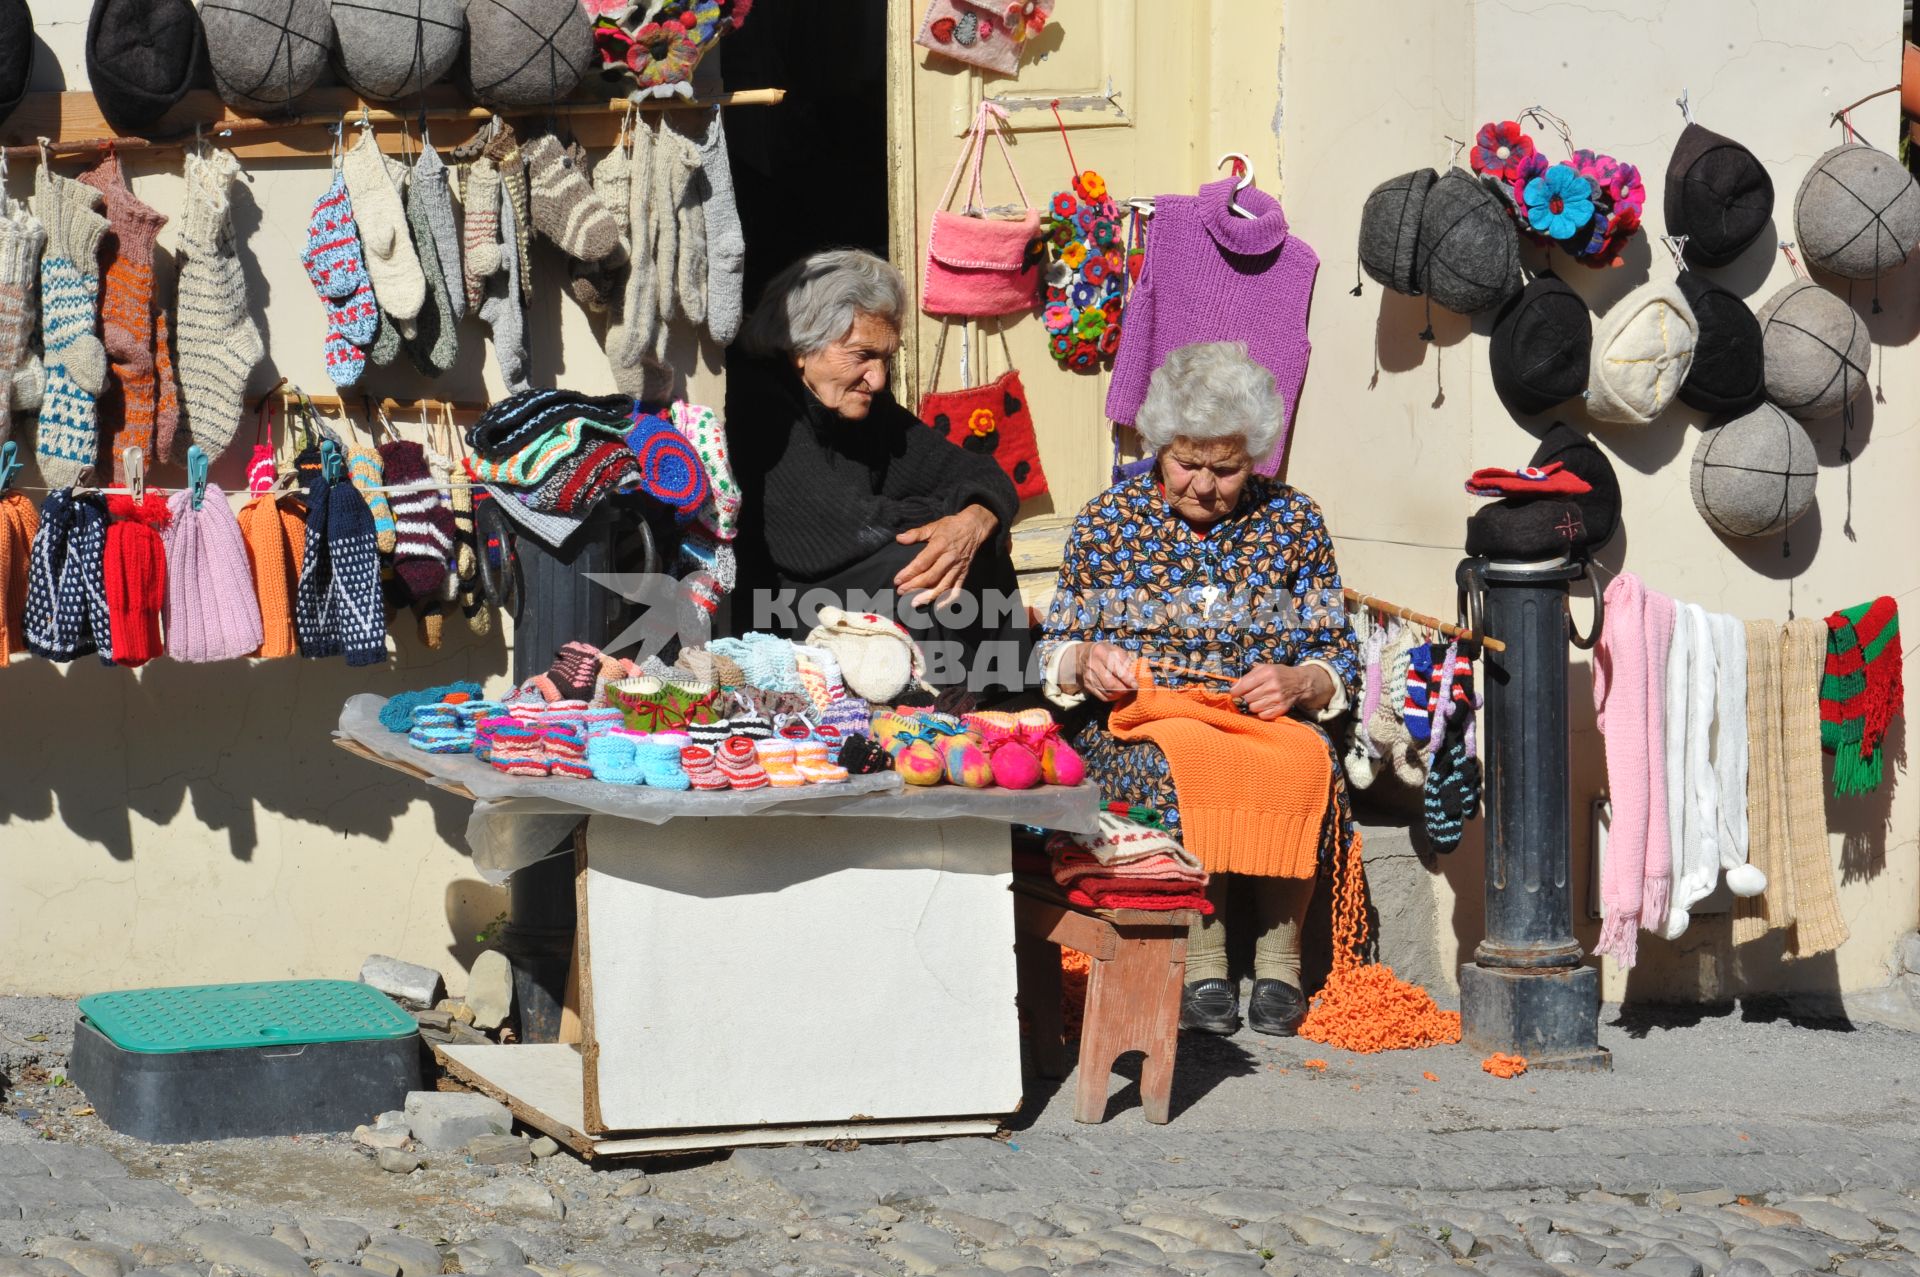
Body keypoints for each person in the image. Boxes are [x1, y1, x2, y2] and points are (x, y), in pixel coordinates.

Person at [1036, 341, 1361, 1037]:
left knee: (1309, 758)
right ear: (1159, 445)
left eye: (1227, 469)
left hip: (1257, 718)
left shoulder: (1293, 521)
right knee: (1175, 760)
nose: (1205, 486)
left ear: (1257, 458)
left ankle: (1279, 959)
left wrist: (1303, 679)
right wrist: (1083, 659)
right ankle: (1202, 955)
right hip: (1143, 720)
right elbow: (1052, 647)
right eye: (1187, 464)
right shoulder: (1108, 522)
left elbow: (1335, 649)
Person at [729, 249, 1033, 701]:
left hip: (848, 574)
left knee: (974, 543)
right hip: (781, 602)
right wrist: (940, 518)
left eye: (886, 358)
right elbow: (840, 528)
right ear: (801, 348)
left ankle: (1010, 704)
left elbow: (977, 472)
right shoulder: (760, 401)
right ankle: (944, 720)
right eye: (863, 356)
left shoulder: (865, 408)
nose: (879, 378)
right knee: (922, 566)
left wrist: (975, 517)